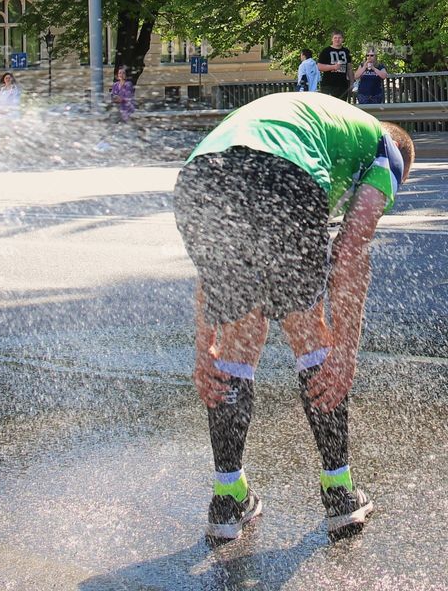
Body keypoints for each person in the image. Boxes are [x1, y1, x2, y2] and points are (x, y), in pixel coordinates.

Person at [173, 92, 414, 543]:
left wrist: (205, 349)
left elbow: (211, 273)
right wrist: (344, 353)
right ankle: (340, 494)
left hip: (199, 177)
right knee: (308, 330)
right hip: (282, 173)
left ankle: (228, 499)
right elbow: (350, 251)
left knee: (240, 334)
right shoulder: (388, 149)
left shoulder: (319, 122)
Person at [318, 31, 352, 100]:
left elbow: (349, 68)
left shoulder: (346, 51)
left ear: (342, 39)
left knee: (341, 107)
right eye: (335, 38)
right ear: (332, 39)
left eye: (339, 38)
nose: (337, 40)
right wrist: (333, 67)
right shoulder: (326, 51)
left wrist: (351, 82)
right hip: (328, 85)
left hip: (343, 85)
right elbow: (319, 66)